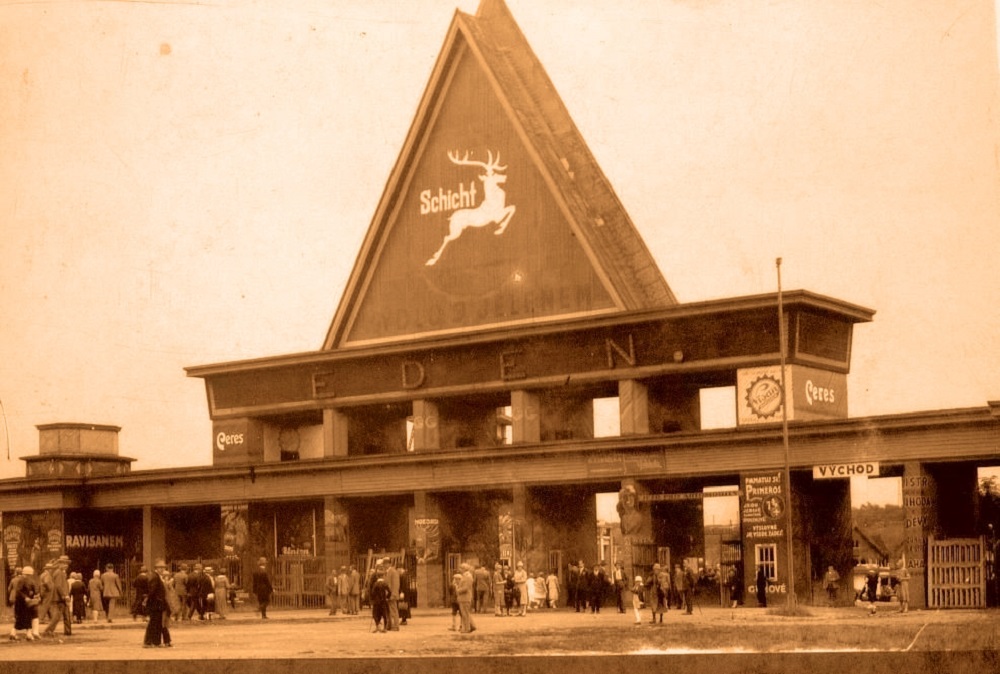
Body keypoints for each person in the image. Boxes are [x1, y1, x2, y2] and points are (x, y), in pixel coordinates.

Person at [142, 559, 172, 648]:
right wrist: (152, 600)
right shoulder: (155, 577)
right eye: (160, 568)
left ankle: (154, 642)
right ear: (156, 568)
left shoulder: (157, 576)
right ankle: (151, 642)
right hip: (156, 604)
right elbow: (152, 591)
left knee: (156, 623)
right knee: (154, 623)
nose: (162, 569)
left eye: (163, 568)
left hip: (157, 604)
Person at [42, 555, 72, 638]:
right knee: (57, 616)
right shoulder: (59, 573)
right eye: (65, 563)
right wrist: (64, 595)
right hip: (60, 597)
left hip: (61, 597)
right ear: (61, 564)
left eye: (67, 564)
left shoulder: (61, 572)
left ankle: (68, 632)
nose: (67, 565)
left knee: (65, 615)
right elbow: (58, 586)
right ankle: (48, 631)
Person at [8, 565, 40, 642]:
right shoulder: (22, 580)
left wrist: (35, 595)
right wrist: (25, 597)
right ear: (28, 574)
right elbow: (18, 591)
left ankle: (16, 633)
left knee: (24, 618)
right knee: (23, 618)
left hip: (25, 602)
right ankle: (26, 634)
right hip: (22, 603)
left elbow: (31, 590)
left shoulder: (26, 580)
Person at [456, 562, 476, 633]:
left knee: (465, 614)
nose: (459, 570)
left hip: (465, 598)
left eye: (460, 568)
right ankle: (471, 626)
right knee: (465, 613)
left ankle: (467, 628)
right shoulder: (465, 576)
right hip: (463, 598)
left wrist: (458, 590)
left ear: (464, 569)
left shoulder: (468, 576)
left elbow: (466, 588)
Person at [385, 558, 401, 631]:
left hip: (392, 595)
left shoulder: (393, 572)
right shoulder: (389, 571)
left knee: (393, 610)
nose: (384, 566)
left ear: (388, 564)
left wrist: (393, 594)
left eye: (385, 564)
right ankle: (390, 625)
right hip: (389, 595)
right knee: (390, 611)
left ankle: (395, 626)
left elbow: (395, 585)